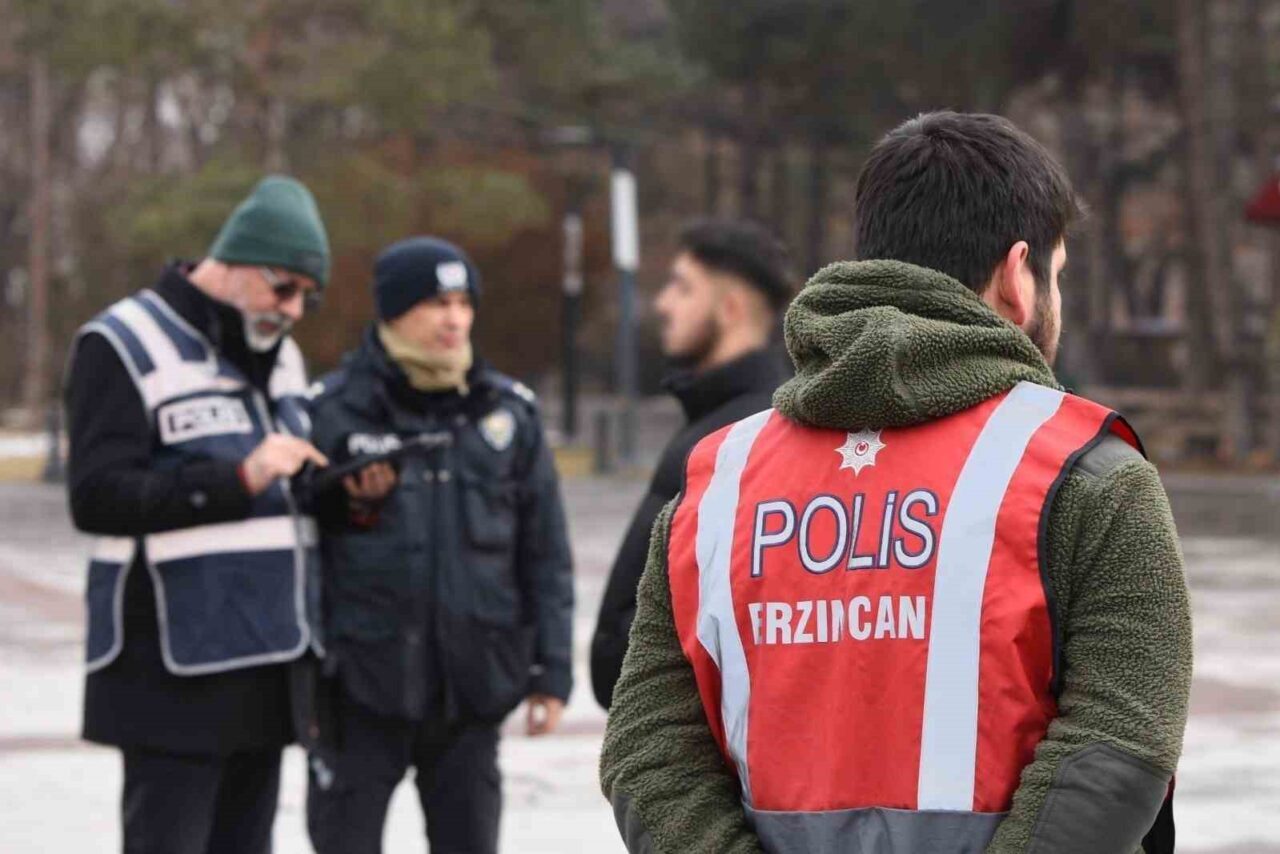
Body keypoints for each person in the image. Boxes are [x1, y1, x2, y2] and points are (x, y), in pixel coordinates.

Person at [599, 112, 1192, 854]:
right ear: (1018, 276)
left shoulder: (721, 483)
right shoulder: (1088, 473)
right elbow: (1122, 739)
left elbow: (649, 748)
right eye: (1058, 273)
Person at [65, 175, 331, 854]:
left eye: (307, 296)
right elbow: (95, 496)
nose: (293, 310)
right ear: (236, 261)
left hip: (268, 662)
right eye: (284, 288)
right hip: (170, 673)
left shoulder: (282, 355)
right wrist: (237, 479)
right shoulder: (123, 341)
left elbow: (285, 499)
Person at [304, 236, 575, 854]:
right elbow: (302, 550)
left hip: (471, 691)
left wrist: (551, 671)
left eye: (463, 303)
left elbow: (545, 553)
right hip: (358, 691)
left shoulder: (507, 413)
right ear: (393, 310)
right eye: (435, 303)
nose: (454, 319)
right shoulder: (333, 411)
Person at [591, 219, 794, 708]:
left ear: (730, 308)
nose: (664, 304)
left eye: (683, 288)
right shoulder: (718, 420)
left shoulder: (741, 437)